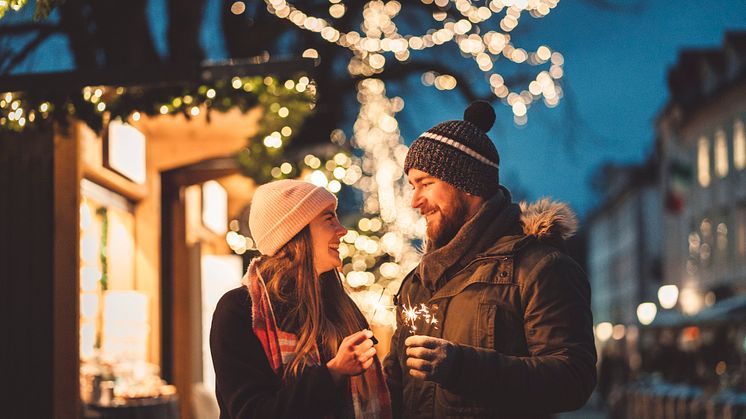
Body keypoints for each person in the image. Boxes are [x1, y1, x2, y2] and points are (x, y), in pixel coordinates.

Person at [383, 101, 597, 418]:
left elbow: (573, 379)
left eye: (426, 183)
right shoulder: (418, 282)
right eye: (413, 186)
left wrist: (463, 367)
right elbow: (395, 386)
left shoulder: (538, 268)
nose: (415, 201)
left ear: (467, 184)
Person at [210, 179, 391, 419]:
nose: (342, 230)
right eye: (328, 219)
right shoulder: (239, 311)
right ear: (295, 233)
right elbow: (250, 412)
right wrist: (333, 373)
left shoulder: (340, 307)